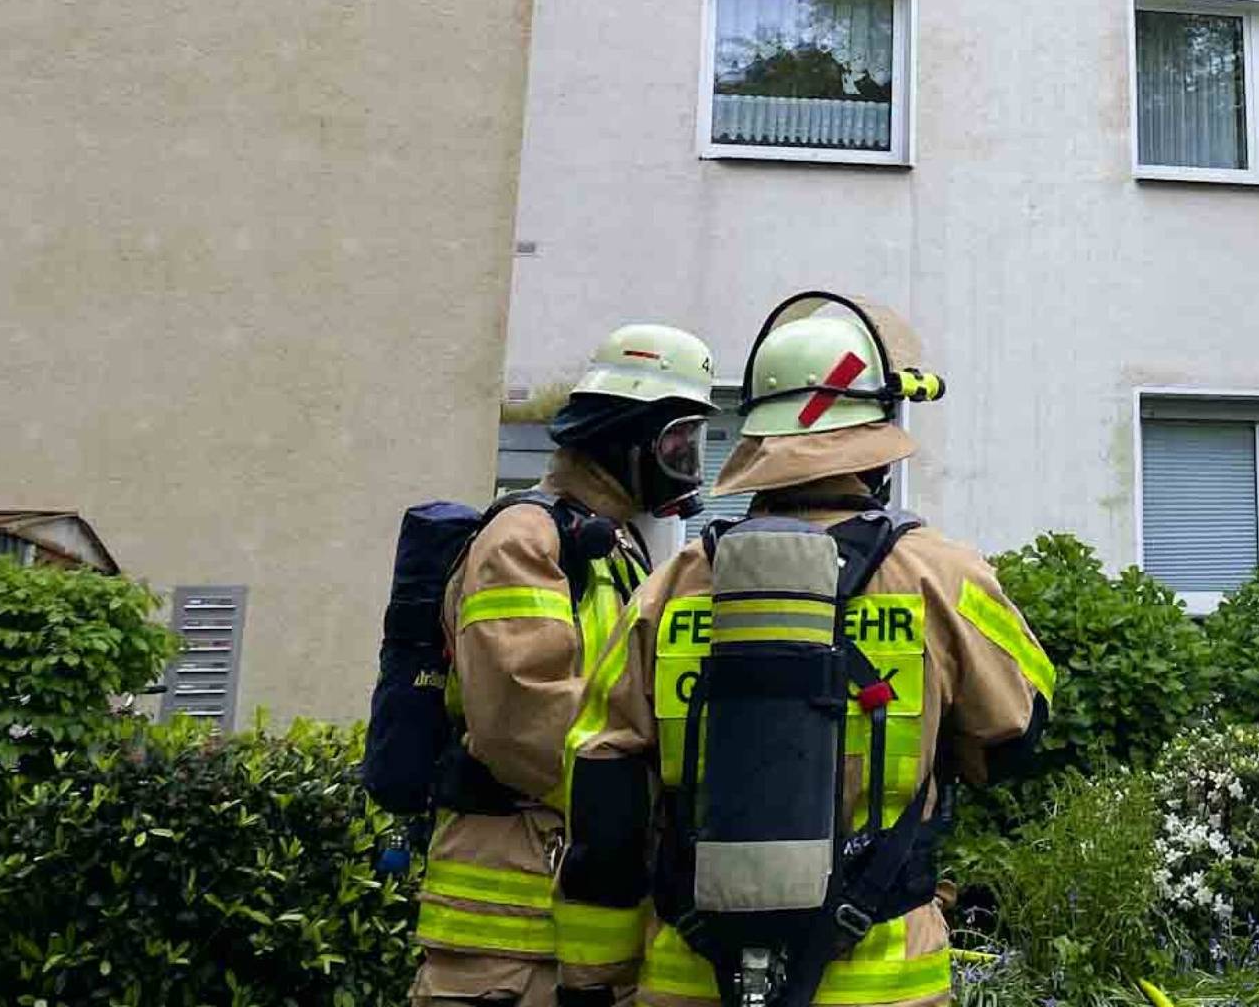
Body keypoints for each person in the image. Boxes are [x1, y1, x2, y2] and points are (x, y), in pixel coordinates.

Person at [573, 292, 1052, 1007]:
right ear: (874, 453)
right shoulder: (940, 575)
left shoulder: (669, 588)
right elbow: (1017, 727)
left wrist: (593, 979)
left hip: (690, 975)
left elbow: (604, 789)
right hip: (883, 978)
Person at [413, 325, 721, 1007]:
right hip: (507, 926)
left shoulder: (612, 545)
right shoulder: (523, 539)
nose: (687, 462)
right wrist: (657, 788)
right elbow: (523, 720)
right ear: (623, 433)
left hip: (571, 915)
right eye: (677, 442)